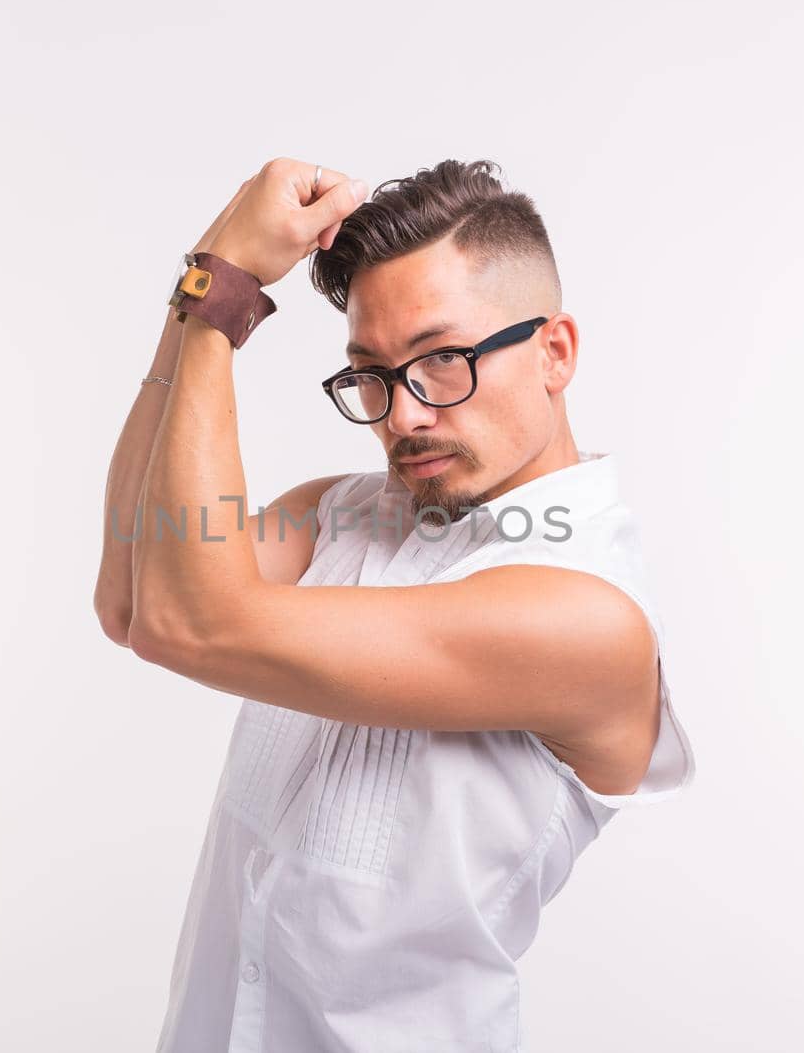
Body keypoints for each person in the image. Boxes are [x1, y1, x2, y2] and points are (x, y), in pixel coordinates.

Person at [94, 157, 696, 1053]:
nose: (402, 415)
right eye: (372, 373)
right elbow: (136, 596)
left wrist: (227, 292)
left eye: (442, 361)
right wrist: (203, 284)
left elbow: (195, 621)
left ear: (555, 352)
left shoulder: (585, 616)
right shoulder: (340, 512)